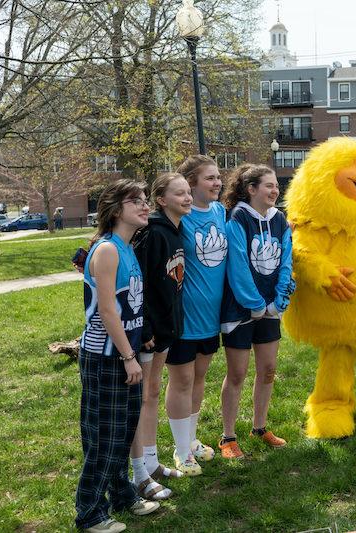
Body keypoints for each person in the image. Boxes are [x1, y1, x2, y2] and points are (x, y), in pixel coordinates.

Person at [75, 179, 160, 532]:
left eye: (145, 200)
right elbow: (108, 311)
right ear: (115, 209)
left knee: (123, 432)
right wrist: (128, 356)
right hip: (107, 356)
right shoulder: (108, 250)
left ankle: (123, 495)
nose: (144, 206)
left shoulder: (127, 247)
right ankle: (90, 512)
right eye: (135, 201)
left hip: (126, 351)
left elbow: (129, 306)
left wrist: (141, 342)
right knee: (104, 437)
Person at [218, 164, 294, 457]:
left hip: (271, 308)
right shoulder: (237, 218)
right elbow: (237, 266)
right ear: (251, 189)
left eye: (276, 186)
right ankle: (228, 437)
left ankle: (260, 427)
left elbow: (286, 260)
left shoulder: (279, 219)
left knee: (268, 370)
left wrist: (278, 302)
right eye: (268, 186)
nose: (275, 190)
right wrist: (255, 304)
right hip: (241, 308)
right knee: (237, 373)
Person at [129, 173, 192, 500]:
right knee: (141, 399)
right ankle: (139, 468)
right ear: (161, 199)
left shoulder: (176, 231)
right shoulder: (151, 233)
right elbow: (139, 283)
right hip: (149, 333)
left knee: (152, 393)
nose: (188, 197)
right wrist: (147, 328)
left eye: (188, 192)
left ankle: (152, 462)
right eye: (179, 193)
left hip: (167, 329)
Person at [165, 155, 227, 475]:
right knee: (182, 379)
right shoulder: (180, 217)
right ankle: (179, 451)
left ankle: (190, 441)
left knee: (199, 378)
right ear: (191, 183)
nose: (217, 183)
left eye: (218, 177)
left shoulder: (220, 211)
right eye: (210, 178)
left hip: (210, 316)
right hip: (184, 315)